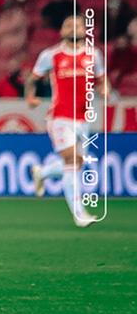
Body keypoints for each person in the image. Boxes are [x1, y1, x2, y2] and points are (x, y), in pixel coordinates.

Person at [28, 17, 109, 227]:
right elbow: (33, 78)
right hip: (59, 117)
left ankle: (42, 172)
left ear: (85, 29)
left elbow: (101, 79)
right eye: (68, 25)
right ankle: (79, 214)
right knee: (73, 160)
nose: (73, 28)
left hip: (83, 119)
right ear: (61, 30)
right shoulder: (50, 55)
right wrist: (30, 96)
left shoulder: (94, 55)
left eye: (78, 25)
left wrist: (104, 89)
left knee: (77, 162)